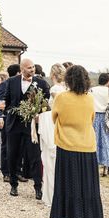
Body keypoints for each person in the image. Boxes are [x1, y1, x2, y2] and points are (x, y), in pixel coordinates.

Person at [50, 65, 103, 218]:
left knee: (69, 183)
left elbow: (54, 117)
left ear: (68, 79)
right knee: (87, 183)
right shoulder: (89, 98)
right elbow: (92, 118)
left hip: (68, 144)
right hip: (87, 144)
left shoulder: (61, 97)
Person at [0, 58, 50, 200]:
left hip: (32, 126)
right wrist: (2, 113)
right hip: (14, 124)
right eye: (28, 67)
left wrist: (39, 112)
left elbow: (46, 104)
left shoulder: (42, 83)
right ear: (22, 69)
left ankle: (38, 187)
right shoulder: (11, 81)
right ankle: (13, 185)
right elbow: (6, 100)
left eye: (33, 67)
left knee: (34, 157)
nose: (32, 69)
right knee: (12, 155)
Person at [38, 63, 67, 206]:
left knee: (51, 161)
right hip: (59, 125)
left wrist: (40, 115)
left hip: (52, 125)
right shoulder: (65, 88)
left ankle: (53, 194)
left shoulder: (55, 89)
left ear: (53, 74)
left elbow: (57, 109)